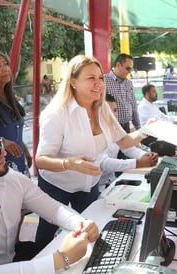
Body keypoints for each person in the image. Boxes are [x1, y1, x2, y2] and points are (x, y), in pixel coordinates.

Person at [35, 55, 148, 249]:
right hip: (57, 185)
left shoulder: (103, 108)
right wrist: (69, 163)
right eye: (91, 78)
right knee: (47, 236)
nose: (99, 84)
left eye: (101, 78)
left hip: (89, 183)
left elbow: (125, 141)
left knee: (92, 231)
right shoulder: (56, 113)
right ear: (73, 82)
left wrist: (150, 130)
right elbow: (41, 160)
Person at [0, 114, 99, 273]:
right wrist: (62, 258)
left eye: (0, 143)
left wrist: (81, 224)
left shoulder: (11, 179)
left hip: (15, 260)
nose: (4, 152)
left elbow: (54, 209)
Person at [98, 94, 158, 187]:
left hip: (110, 180)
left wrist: (146, 156)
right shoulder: (94, 131)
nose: (113, 114)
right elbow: (104, 163)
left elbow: (127, 147)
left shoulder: (114, 128)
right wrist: (137, 163)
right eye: (108, 111)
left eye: (115, 110)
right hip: (96, 184)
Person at [104, 53, 140, 133]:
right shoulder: (103, 81)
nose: (129, 72)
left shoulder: (129, 83)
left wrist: (138, 127)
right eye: (128, 68)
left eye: (131, 69)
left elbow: (133, 106)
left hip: (126, 127)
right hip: (111, 127)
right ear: (118, 65)